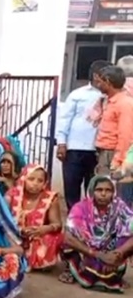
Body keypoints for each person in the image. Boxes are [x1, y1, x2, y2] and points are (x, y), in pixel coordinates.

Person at [59, 175, 133, 291]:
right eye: (99, 190)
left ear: (113, 192)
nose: (103, 194)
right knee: (69, 241)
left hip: (110, 250)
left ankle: (113, 270)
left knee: (127, 238)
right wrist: (97, 254)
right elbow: (68, 237)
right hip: (87, 251)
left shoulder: (119, 206)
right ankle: (77, 270)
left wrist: (117, 253)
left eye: (108, 190)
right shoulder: (80, 208)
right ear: (92, 191)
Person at [55, 60, 108, 210]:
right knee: (71, 187)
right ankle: (74, 218)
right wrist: (61, 143)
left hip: (98, 150)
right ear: (96, 76)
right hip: (75, 148)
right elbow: (65, 119)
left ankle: (92, 218)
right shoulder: (78, 94)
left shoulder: (111, 96)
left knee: (95, 188)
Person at [6, 164, 63, 271]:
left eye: (40, 181)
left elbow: (57, 224)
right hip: (14, 234)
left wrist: (44, 229)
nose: (35, 183)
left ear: (45, 183)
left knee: (51, 239)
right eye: (31, 179)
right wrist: (18, 230)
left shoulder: (50, 198)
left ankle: (34, 261)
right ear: (24, 179)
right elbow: (1, 217)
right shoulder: (12, 194)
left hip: (36, 236)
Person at [94, 66, 133, 200]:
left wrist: (119, 160)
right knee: (103, 194)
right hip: (105, 153)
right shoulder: (108, 101)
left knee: (115, 195)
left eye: (100, 82)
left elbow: (126, 135)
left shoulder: (125, 103)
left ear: (108, 81)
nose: (97, 85)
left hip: (113, 155)